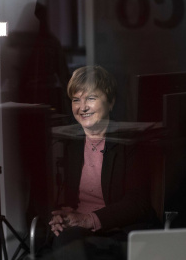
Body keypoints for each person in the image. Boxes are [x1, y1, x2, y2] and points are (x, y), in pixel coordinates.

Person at [48, 65, 158, 259]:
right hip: (79, 228)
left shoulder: (130, 142)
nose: (82, 107)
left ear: (111, 102)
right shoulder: (69, 143)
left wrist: (88, 219)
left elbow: (138, 203)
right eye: (76, 100)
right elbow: (62, 195)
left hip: (119, 228)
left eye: (91, 98)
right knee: (63, 240)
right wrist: (60, 215)